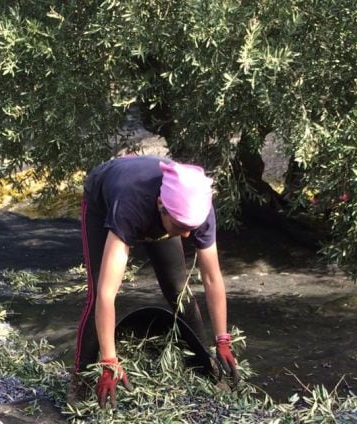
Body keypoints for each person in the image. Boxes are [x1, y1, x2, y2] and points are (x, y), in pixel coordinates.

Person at [72, 155, 240, 408]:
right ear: (161, 204)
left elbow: (212, 278)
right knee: (96, 292)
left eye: (190, 229)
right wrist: (109, 361)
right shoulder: (131, 207)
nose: (185, 235)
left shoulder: (196, 210)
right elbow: (108, 293)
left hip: (162, 208)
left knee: (178, 290)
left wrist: (222, 339)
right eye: (181, 226)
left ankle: (207, 368)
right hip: (106, 196)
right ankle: (81, 383)